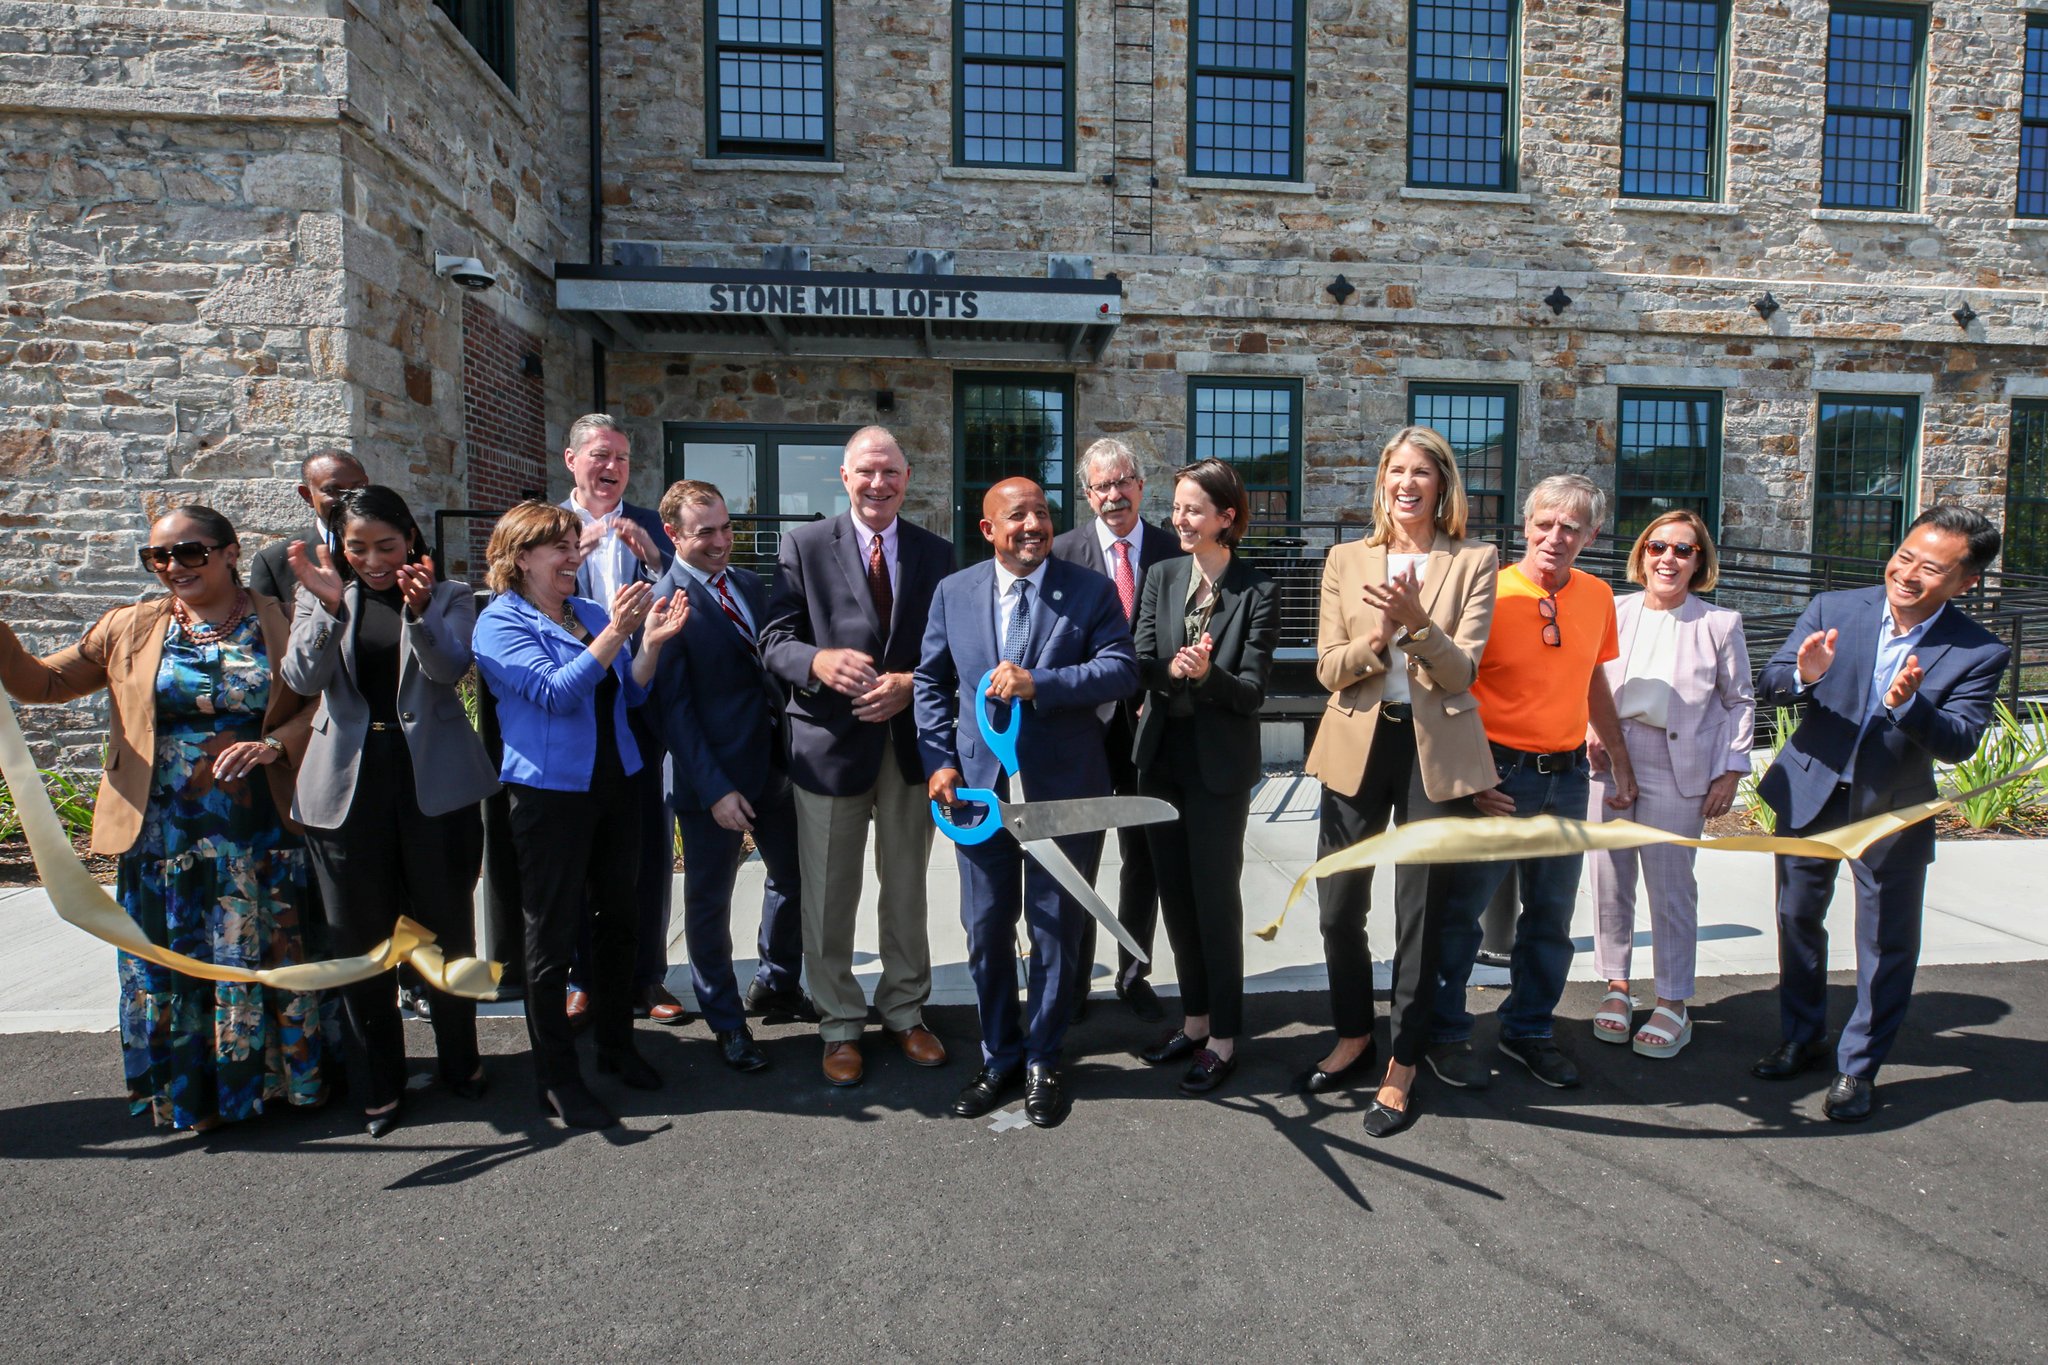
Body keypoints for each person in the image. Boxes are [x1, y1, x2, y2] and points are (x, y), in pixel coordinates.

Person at [0, 505, 323, 1132]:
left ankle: (273, 1086)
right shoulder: (128, 627)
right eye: (158, 557)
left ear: (231, 553)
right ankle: (190, 1092)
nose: (173, 566)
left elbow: (324, 701)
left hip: (257, 825)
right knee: (169, 954)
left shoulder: (280, 620)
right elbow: (41, 685)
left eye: (190, 553)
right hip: (160, 830)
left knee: (253, 947)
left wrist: (276, 744)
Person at [1751, 505, 2009, 1122]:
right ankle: (1803, 1035)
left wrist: (1912, 706)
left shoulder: (1979, 649)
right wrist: (1804, 676)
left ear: (1965, 581)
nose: (1909, 573)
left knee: (1885, 942)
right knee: (1796, 918)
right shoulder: (1835, 608)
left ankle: (1858, 1067)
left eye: (1932, 568)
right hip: (1811, 791)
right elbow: (1772, 679)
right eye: (1906, 556)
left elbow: (1960, 741)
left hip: (1893, 808)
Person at [916, 479, 1139, 1127]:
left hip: (1063, 791)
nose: (1034, 525)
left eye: (1042, 513)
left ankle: (1043, 1057)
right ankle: (998, 1055)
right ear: (988, 528)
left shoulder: (1089, 589)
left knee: (1054, 933)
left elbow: (1121, 668)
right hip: (977, 798)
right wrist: (939, 763)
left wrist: (1040, 682)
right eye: (1018, 516)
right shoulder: (953, 592)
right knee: (986, 932)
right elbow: (930, 681)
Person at [280, 486, 502, 1137]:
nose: (374, 559)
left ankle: (461, 1064)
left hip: (434, 789)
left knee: (446, 932)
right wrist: (326, 606)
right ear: (339, 548)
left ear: (410, 538)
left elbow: (450, 667)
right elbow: (301, 679)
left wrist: (418, 612)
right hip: (346, 793)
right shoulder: (324, 596)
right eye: (358, 547)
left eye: (387, 544)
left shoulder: (452, 594)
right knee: (360, 941)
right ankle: (380, 1083)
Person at [1300, 426, 1498, 1137]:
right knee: (1336, 906)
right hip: (1357, 742)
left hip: (1431, 753)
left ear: (1443, 484)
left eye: (1421, 472)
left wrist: (1416, 627)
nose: (1406, 483)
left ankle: (1402, 1063)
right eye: (1395, 471)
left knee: (1418, 913)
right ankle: (1354, 1034)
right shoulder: (1346, 558)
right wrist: (1378, 638)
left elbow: (1462, 671)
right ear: (1382, 482)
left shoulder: (1474, 560)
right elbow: (1327, 666)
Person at [473, 501, 688, 1129]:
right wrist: (619, 634)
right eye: (561, 549)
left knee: (619, 921)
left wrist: (648, 644)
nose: (575, 557)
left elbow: (634, 691)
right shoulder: (499, 623)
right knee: (551, 936)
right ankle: (557, 1076)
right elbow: (554, 692)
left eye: (577, 545)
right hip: (549, 797)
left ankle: (617, 1047)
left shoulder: (590, 612)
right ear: (520, 558)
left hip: (616, 783)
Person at [1426, 474, 1639, 1093]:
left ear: (1592, 535)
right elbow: (1447, 684)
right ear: (1526, 526)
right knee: (1460, 915)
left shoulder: (1599, 596)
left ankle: (1528, 1029)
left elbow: (1593, 680)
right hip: (1498, 772)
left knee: (1549, 917)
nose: (1555, 537)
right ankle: (1443, 1032)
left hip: (1567, 776)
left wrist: (1619, 762)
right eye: (1545, 524)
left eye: (1571, 527)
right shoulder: (1488, 591)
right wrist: (1471, 775)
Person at [761, 426, 956, 1087]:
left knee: (906, 889)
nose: (879, 483)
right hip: (828, 746)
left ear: (908, 477)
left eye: (891, 472)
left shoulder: (937, 552)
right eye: (866, 472)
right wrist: (816, 659)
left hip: (907, 750)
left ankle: (905, 1009)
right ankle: (839, 1022)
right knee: (827, 894)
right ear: (843, 478)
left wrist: (910, 684)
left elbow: (954, 648)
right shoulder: (806, 545)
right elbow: (774, 640)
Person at [1130, 459, 1280, 1097]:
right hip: (1161, 759)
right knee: (1175, 898)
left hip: (1220, 766)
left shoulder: (1259, 589)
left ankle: (1224, 1037)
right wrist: (1173, 671)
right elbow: (1140, 659)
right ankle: (1193, 1022)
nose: (1178, 519)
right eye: (1176, 507)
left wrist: (1206, 674)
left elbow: (1250, 693)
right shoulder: (1161, 575)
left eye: (1193, 509)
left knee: (1216, 901)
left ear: (1227, 517)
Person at [649, 479, 809, 1074]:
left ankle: (776, 982)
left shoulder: (745, 583)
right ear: (673, 535)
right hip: (711, 781)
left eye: (726, 528)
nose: (720, 542)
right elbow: (674, 713)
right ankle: (725, 1021)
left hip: (773, 765)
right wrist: (716, 789)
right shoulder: (665, 603)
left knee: (792, 879)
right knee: (709, 905)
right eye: (705, 533)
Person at [1584, 512, 1754, 1061]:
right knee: (1610, 881)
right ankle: (1615, 986)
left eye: (1684, 550)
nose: (1669, 559)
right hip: (1608, 755)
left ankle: (1673, 1001)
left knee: (1671, 886)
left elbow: (1739, 700)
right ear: (1641, 553)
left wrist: (1731, 769)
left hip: (1679, 765)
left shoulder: (1719, 624)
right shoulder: (1614, 609)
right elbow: (1583, 678)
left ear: (1699, 561)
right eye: (1658, 546)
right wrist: (1589, 729)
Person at [557, 413, 686, 1028]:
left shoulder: (644, 528)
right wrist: (566, 559)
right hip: (572, 712)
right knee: (579, 849)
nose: (611, 469)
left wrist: (659, 561)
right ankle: (582, 976)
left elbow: (684, 599)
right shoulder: (543, 529)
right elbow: (508, 600)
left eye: (623, 459)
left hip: (638, 713)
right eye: (601, 456)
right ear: (571, 460)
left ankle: (646, 977)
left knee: (646, 852)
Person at [1049, 436, 1185, 1022]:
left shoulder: (1171, 549)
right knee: (1077, 857)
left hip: (1148, 730)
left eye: (1122, 482)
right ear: (1087, 495)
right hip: (1079, 731)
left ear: (1141, 485)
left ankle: (1133, 972)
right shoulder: (1059, 552)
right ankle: (1073, 984)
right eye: (1101, 486)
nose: (1113, 495)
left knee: (1144, 857)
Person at [246, 450, 370, 611]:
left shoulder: (396, 550)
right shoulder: (275, 562)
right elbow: (267, 630)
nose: (348, 498)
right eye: (333, 490)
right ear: (307, 496)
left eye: (357, 487)